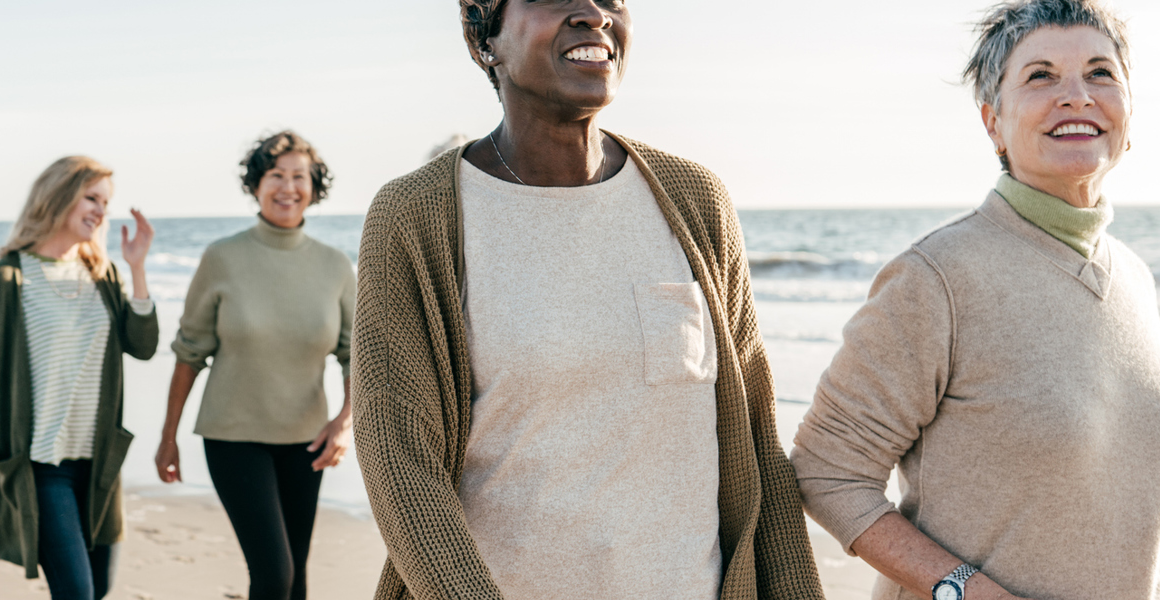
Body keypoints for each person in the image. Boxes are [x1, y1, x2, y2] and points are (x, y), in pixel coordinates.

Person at [351, 1, 824, 598]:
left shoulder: (694, 199)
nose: (594, 14)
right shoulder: (417, 217)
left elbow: (755, 434)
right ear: (483, 39)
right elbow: (400, 461)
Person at [789, 1, 1160, 599]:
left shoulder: (1135, 277)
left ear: (1129, 116)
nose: (1077, 95)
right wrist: (966, 589)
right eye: (1040, 76)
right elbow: (827, 471)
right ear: (993, 122)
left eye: (1101, 73)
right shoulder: (936, 277)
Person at [0, 156, 159, 600]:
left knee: (99, 590)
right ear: (58, 196)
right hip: (42, 466)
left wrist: (138, 268)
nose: (100, 211)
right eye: (91, 197)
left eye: (105, 202)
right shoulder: (3, 281)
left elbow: (143, 346)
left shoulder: (103, 274)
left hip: (100, 464)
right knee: (77, 594)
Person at [153, 131, 357, 600]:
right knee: (273, 576)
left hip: (307, 442)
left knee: (296, 580)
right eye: (275, 175)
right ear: (255, 185)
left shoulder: (335, 266)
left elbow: (355, 357)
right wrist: (168, 438)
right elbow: (189, 353)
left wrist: (343, 423)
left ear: (314, 186)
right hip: (233, 437)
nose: (288, 187)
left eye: (298, 176)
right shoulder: (222, 257)